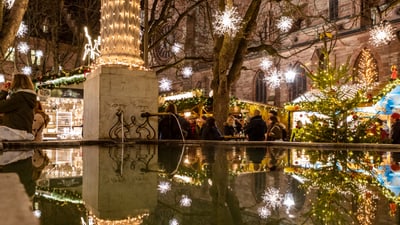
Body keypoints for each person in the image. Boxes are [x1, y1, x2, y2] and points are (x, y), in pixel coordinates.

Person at [0, 74, 37, 141]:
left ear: (16, 83)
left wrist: (3, 92)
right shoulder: (27, 97)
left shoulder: (19, 97)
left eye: (12, 80)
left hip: (14, 133)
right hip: (21, 133)